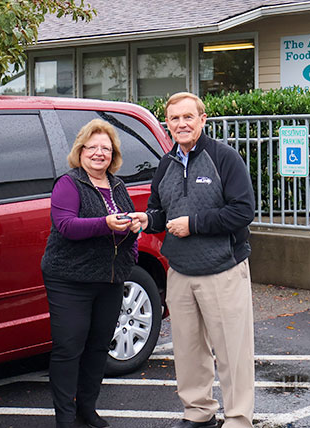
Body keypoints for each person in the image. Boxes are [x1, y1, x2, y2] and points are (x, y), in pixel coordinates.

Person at [130, 92, 255, 428]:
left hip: (223, 269)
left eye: (188, 117)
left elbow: (243, 211)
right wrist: (147, 220)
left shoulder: (224, 158)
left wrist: (194, 224)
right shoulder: (166, 164)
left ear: (202, 120)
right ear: (167, 124)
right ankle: (199, 413)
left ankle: (238, 419)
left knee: (232, 352)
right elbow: (160, 211)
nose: (182, 124)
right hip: (181, 271)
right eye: (175, 118)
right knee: (188, 350)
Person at [41, 119, 141, 428]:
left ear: (113, 154)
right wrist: (105, 224)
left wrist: (133, 232)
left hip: (109, 279)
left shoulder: (117, 185)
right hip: (70, 279)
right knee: (69, 348)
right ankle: (65, 418)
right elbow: (67, 226)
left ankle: (87, 408)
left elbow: (125, 228)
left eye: (105, 149)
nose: (99, 153)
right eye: (92, 147)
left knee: (98, 347)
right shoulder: (68, 184)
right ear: (80, 151)